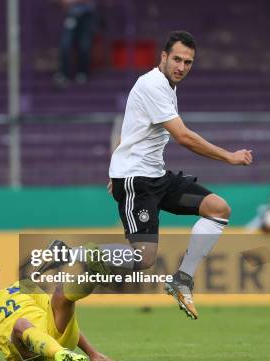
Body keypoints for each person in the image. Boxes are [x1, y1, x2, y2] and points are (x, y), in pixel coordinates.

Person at [106, 31, 253, 319]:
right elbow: (184, 138)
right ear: (163, 56)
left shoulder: (166, 86)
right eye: (176, 59)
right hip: (138, 180)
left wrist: (116, 168)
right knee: (144, 259)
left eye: (188, 62)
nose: (181, 67)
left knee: (218, 209)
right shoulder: (152, 85)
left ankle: (181, 280)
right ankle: (82, 254)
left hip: (154, 176)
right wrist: (229, 156)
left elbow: (134, 128)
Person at [0, 252, 111, 361]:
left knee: (61, 293)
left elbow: (54, 312)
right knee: (21, 323)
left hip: (56, 334)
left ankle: (96, 276)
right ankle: (61, 354)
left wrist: (93, 353)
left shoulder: (24, 286)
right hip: (27, 353)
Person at [55, 0, 96, 85]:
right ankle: (64, 74)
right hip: (71, 16)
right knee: (65, 45)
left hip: (86, 17)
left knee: (84, 46)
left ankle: (82, 73)